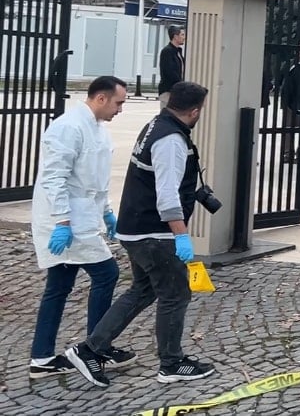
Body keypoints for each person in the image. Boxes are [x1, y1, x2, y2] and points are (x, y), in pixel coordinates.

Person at [66, 81, 215, 388]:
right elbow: (167, 197)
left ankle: (91, 348)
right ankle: (171, 363)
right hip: (154, 233)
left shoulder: (156, 126)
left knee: (143, 290)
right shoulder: (171, 140)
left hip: (135, 228)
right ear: (195, 111)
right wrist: (181, 236)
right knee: (175, 294)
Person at [29, 76, 135, 379]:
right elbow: (54, 177)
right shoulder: (68, 127)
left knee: (59, 286)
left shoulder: (97, 130)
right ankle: (95, 346)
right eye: (118, 103)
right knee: (107, 273)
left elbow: (97, 180)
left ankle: (42, 357)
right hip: (67, 220)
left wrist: (107, 213)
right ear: (101, 98)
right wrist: (62, 221)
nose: (120, 109)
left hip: (82, 217)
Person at [157, 25, 185, 109]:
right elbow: (169, 71)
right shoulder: (167, 51)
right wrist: (180, 84)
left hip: (177, 91)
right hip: (168, 90)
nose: (184, 37)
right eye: (182, 35)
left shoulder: (178, 52)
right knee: (168, 113)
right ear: (175, 37)